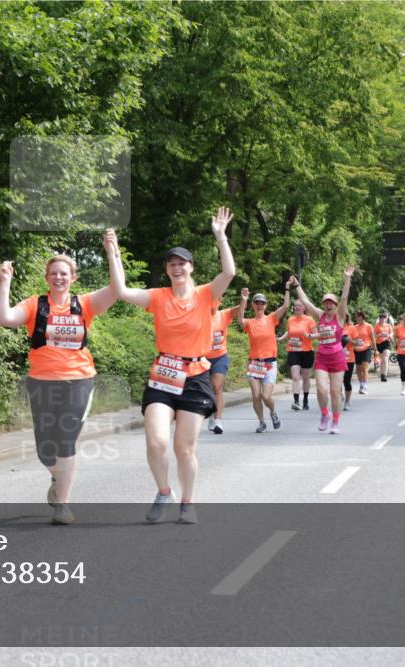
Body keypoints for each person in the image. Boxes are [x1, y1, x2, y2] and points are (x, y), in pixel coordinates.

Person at [107, 206, 235, 524]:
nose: (177, 268)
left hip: (196, 377)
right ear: (167, 270)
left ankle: (188, 502)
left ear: (191, 267)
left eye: (182, 263)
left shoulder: (206, 295)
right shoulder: (158, 296)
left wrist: (220, 237)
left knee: (184, 448)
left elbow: (229, 273)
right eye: (172, 264)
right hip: (163, 375)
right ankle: (164, 492)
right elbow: (121, 291)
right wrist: (113, 253)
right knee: (156, 442)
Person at [0, 234, 117, 525]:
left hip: (78, 380)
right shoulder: (36, 304)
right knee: (45, 449)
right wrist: (5, 280)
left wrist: (111, 253)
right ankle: (56, 478)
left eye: (64, 273)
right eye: (54, 273)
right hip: (41, 382)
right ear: (47, 278)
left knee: (65, 440)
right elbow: (4, 317)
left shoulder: (85, 303)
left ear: (73, 277)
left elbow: (115, 290)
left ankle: (63, 504)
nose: (59, 277)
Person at [287, 266, 355, 434]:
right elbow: (305, 302)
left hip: (337, 357)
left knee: (334, 391)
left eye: (331, 302)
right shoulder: (320, 315)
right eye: (326, 302)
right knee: (321, 390)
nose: (328, 304)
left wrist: (347, 278)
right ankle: (325, 414)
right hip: (322, 358)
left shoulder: (339, 316)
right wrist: (296, 286)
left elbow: (345, 296)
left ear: (335, 305)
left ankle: (336, 422)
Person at [239, 286, 290, 432]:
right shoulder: (249, 322)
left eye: (262, 303)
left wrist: (286, 288)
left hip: (269, 363)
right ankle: (261, 422)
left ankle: (273, 412)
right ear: (253, 305)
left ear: (265, 305)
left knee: (265, 396)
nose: (259, 305)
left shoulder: (271, 318)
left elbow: (286, 306)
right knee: (255, 395)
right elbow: (239, 319)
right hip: (254, 363)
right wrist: (243, 300)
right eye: (257, 303)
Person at [206, 298, 245, 435]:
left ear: (220, 302)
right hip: (203, 358)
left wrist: (244, 299)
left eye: (215, 301)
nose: (212, 304)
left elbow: (239, 308)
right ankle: (211, 412)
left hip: (220, 357)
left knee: (217, 386)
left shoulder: (224, 315)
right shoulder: (200, 316)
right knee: (207, 389)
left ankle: (218, 420)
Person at [278, 300, 317, 410]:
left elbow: (315, 335)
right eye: (295, 306)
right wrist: (281, 338)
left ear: (304, 308)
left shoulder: (309, 320)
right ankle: (296, 401)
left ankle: (305, 400)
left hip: (306, 352)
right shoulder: (290, 320)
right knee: (295, 377)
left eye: (299, 306)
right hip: (293, 350)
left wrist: (308, 335)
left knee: (305, 378)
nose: (297, 307)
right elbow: (289, 332)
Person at [351, 311, 374, 395]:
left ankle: (365, 386)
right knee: (358, 369)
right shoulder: (354, 327)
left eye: (358, 317)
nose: (356, 318)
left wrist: (375, 349)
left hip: (366, 349)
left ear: (361, 317)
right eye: (356, 317)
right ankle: (361, 384)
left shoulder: (368, 326)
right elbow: (352, 338)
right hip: (356, 350)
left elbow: (372, 338)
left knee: (365, 368)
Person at [342, 314, 356, 411]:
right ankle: (338, 394)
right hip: (336, 358)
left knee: (347, 381)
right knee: (336, 381)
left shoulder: (351, 328)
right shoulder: (334, 326)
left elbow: (356, 342)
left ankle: (347, 402)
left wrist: (348, 340)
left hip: (349, 358)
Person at [374, 312, 394, 382]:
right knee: (381, 360)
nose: (383, 319)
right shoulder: (377, 326)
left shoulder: (388, 326)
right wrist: (379, 335)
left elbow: (391, 333)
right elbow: (374, 336)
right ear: (379, 319)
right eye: (381, 318)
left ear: (386, 319)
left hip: (386, 342)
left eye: (384, 318)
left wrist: (390, 335)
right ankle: (382, 373)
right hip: (379, 343)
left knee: (385, 359)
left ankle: (384, 375)